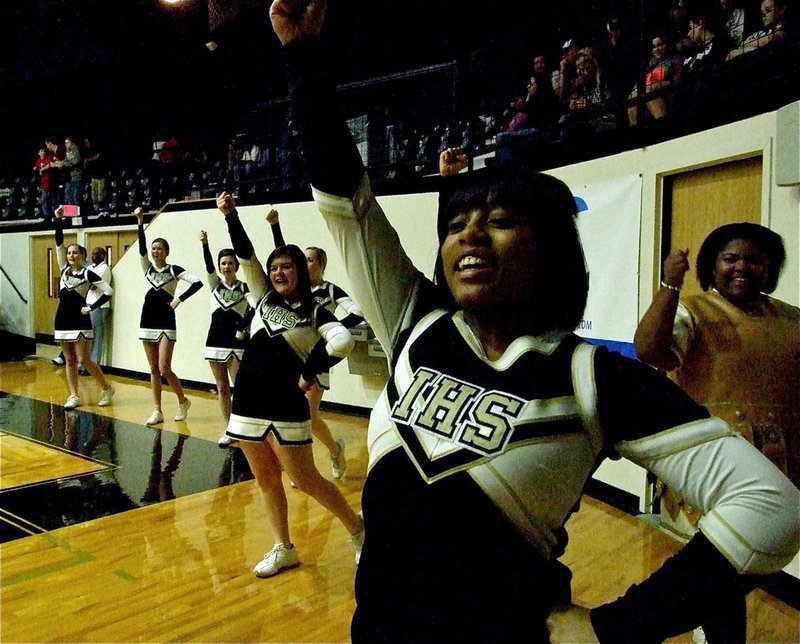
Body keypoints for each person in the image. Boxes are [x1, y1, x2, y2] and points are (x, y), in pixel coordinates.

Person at [268, 1, 799, 641]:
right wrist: (302, 58)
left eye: (499, 221)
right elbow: (344, 202)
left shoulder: (589, 375)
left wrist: (615, 628)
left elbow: (771, 509)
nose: (471, 235)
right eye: (459, 223)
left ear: (548, 245)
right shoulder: (417, 321)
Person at [633, 223, 799, 643]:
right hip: (716, 466)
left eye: (755, 259)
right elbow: (649, 352)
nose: (742, 266)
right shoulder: (692, 311)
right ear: (712, 265)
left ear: (770, 268)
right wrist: (670, 284)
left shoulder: (791, 319)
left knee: (746, 566)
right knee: (722, 568)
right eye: (730, 258)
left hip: (781, 464)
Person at [215, 191, 364, 578]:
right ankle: (284, 547)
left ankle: (358, 530)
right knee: (265, 479)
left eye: (288, 267)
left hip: (285, 404)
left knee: (305, 478)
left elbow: (343, 342)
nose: (280, 273)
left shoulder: (316, 311)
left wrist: (310, 370)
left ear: (301, 270)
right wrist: (231, 216)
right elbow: (246, 255)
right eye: (275, 267)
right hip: (247, 402)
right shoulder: (261, 296)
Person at [266, 208, 365, 479]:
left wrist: (333, 330)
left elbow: (358, 311)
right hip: (291, 358)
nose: (303, 263)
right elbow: (281, 253)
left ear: (320, 264)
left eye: (309, 260)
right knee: (297, 415)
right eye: (303, 260)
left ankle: (327, 456)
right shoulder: (295, 289)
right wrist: (275, 226)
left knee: (307, 416)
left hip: (317, 359)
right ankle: (325, 454)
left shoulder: (330, 290)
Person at [135, 207, 202, 425]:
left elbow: (197, 282)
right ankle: (157, 410)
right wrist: (140, 222)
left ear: (166, 251)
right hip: (147, 320)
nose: (155, 252)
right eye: (154, 249)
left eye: (159, 249)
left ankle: (183, 401)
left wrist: (179, 299)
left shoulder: (174, 270)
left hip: (165, 320)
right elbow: (142, 249)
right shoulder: (147, 269)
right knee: (153, 369)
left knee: (164, 367)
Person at [53, 207, 115, 410]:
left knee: (84, 359)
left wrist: (91, 307)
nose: (71, 255)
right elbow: (59, 244)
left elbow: (108, 291)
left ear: (82, 255)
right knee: (69, 360)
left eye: (75, 253)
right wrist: (59, 220)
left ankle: (106, 388)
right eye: (69, 253)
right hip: (62, 319)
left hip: (80, 320)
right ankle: (74, 395)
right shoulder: (64, 269)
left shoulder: (89, 273)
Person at [199, 229, 253, 425]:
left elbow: (255, 307)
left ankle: (242, 425)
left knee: (239, 386)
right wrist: (205, 244)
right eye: (223, 263)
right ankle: (228, 427)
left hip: (236, 342)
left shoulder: (244, 287)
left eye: (230, 263)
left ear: (236, 265)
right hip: (215, 341)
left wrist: (243, 327)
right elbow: (208, 266)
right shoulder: (215, 285)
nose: (227, 266)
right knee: (221, 388)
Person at [85, 246, 113, 369]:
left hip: (100, 305)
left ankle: (95, 364)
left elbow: (93, 285)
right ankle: (86, 363)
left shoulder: (104, 269)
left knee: (97, 335)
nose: (94, 256)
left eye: (97, 254)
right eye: (93, 254)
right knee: (88, 335)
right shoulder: (90, 268)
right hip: (88, 303)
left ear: (103, 256)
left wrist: (89, 283)